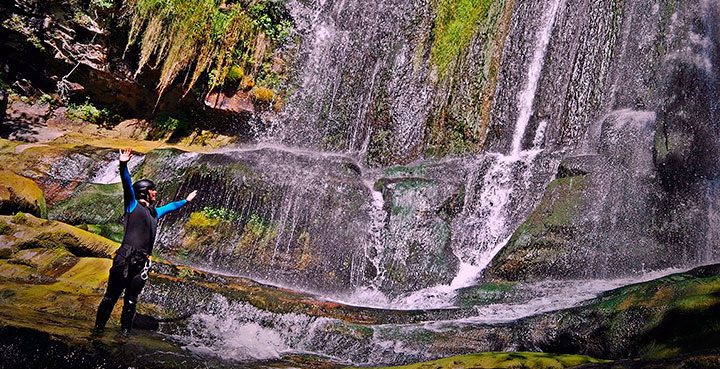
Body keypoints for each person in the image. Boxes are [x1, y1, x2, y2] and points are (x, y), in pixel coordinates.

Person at [93, 147, 197, 336]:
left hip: (142, 262)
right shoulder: (132, 204)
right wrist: (123, 164)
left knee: (131, 301)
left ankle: (124, 334)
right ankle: (97, 331)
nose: (155, 193)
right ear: (144, 192)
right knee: (110, 297)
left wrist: (186, 201)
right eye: (153, 190)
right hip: (125, 257)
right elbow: (126, 183)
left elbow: (171, 206)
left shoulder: (154, 213)